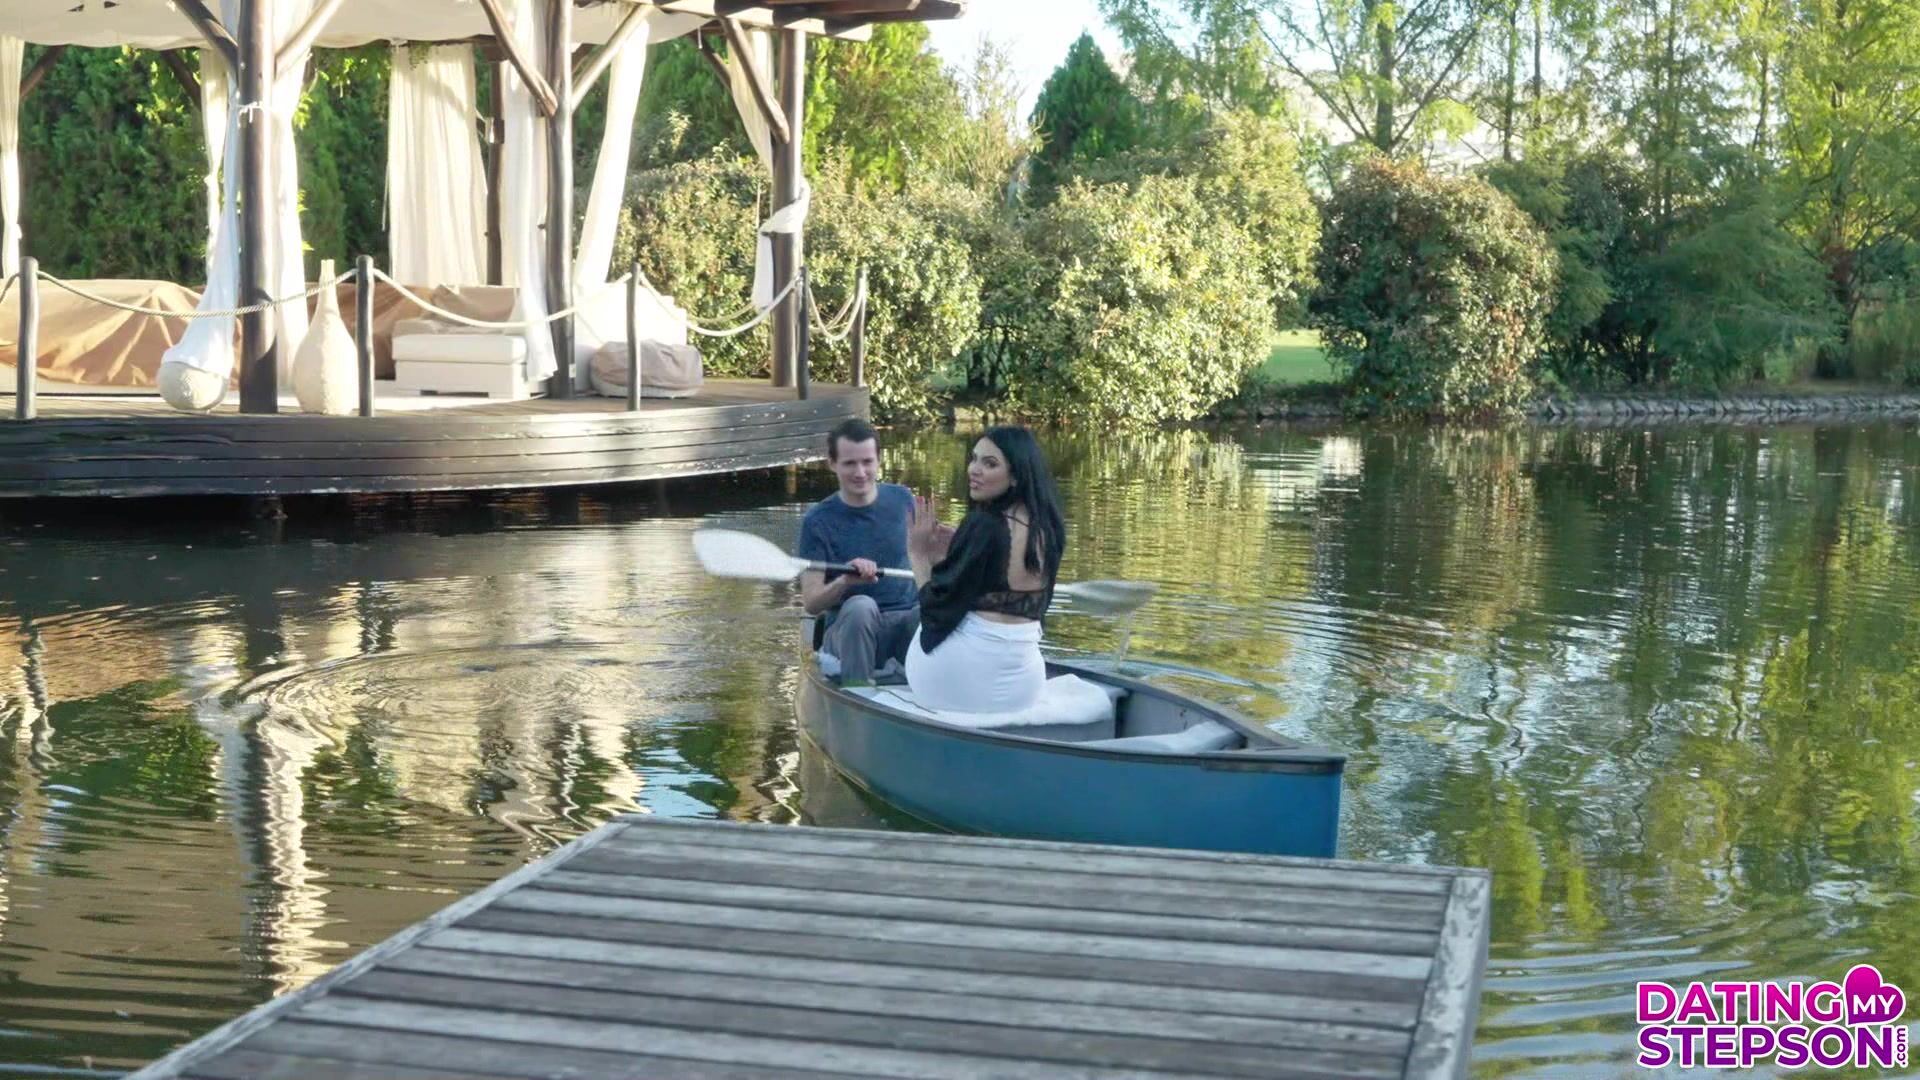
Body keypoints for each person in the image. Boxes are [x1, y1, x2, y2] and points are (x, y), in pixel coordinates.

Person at [904, 425, 1066, 713]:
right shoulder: (1049, 529)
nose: (974, 470)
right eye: (974, 459)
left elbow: (935, 609)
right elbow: (998, 586)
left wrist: (918, 554)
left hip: (957, 684)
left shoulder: (984, 524)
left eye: (990, 464)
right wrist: (958, 552)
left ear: (1016, 475)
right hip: (1023, 689)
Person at [797, 419, 921, 684]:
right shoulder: (817, 521)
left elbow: (928, 563)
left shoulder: (903, 500)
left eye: (867, 462)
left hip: (904, 620)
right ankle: (858, 689)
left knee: (933, 610)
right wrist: (844, 581)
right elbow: (812, 603)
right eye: (850, 463)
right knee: (861, 606)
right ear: (832, 463)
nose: (860, 472)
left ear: (879, 460)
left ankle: (927, 687)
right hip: (849, 630)